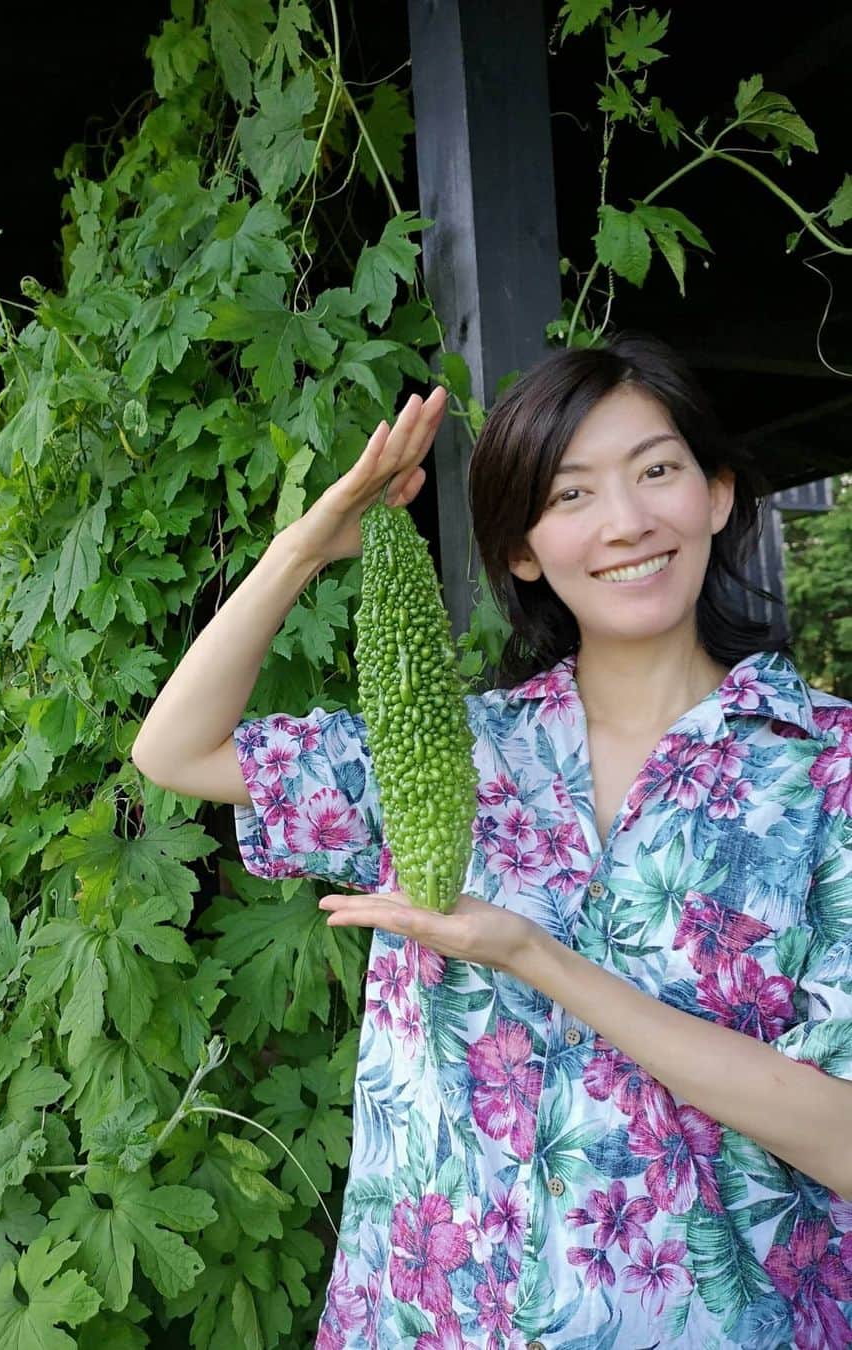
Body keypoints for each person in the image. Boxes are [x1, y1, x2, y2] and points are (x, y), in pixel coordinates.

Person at [131, 332, 852, 1349]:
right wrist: (308, 544)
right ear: (522, 548)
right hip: (428, 1319)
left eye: (657, 472)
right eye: (571, 495)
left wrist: (534, 958)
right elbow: (175, 749)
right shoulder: (448, 749)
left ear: (719, 495)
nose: (628, 522)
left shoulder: (829, 767)